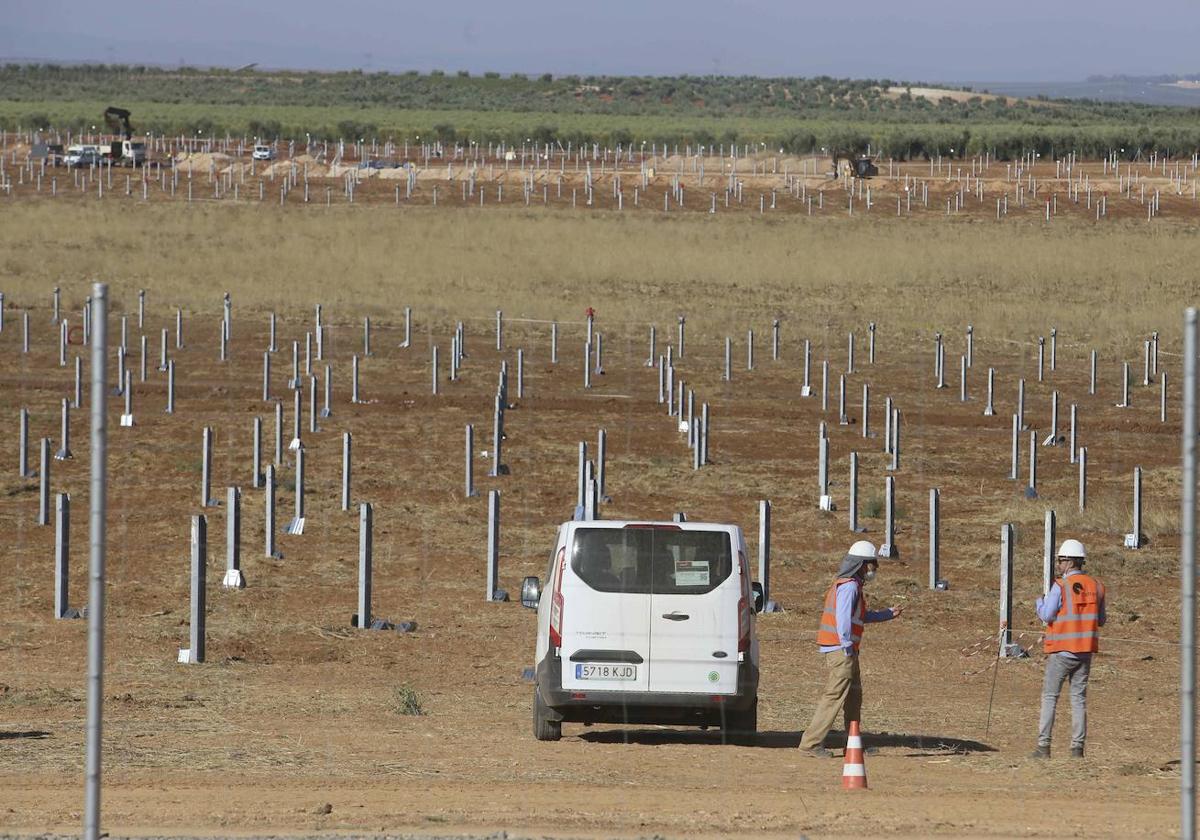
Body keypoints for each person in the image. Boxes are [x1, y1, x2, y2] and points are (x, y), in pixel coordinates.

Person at [799, 540, 903, 756]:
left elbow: (859, 616)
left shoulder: (850, 584)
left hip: (846, 650)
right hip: (842, 650)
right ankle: (810, 744)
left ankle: (853, 744)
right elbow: (843, 619)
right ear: (862, 564)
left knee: (854, 697)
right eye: (872, 565)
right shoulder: (849, 586)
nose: (873, 570)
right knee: (834, 695)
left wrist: (887, 614)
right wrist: (847, 645)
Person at [1031, 538, 1106, 759]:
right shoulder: (1098, 586)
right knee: (1079, 699)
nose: (1059, 565)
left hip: (1062, 651)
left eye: (1061, 561)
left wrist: (1039, 603)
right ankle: (1077, 749)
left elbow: (1047, 615)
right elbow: (1101, 620)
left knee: (1050, 697)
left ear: (1070, 562)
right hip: (1084, 653)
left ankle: (1043, 747)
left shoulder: (1060, 586)